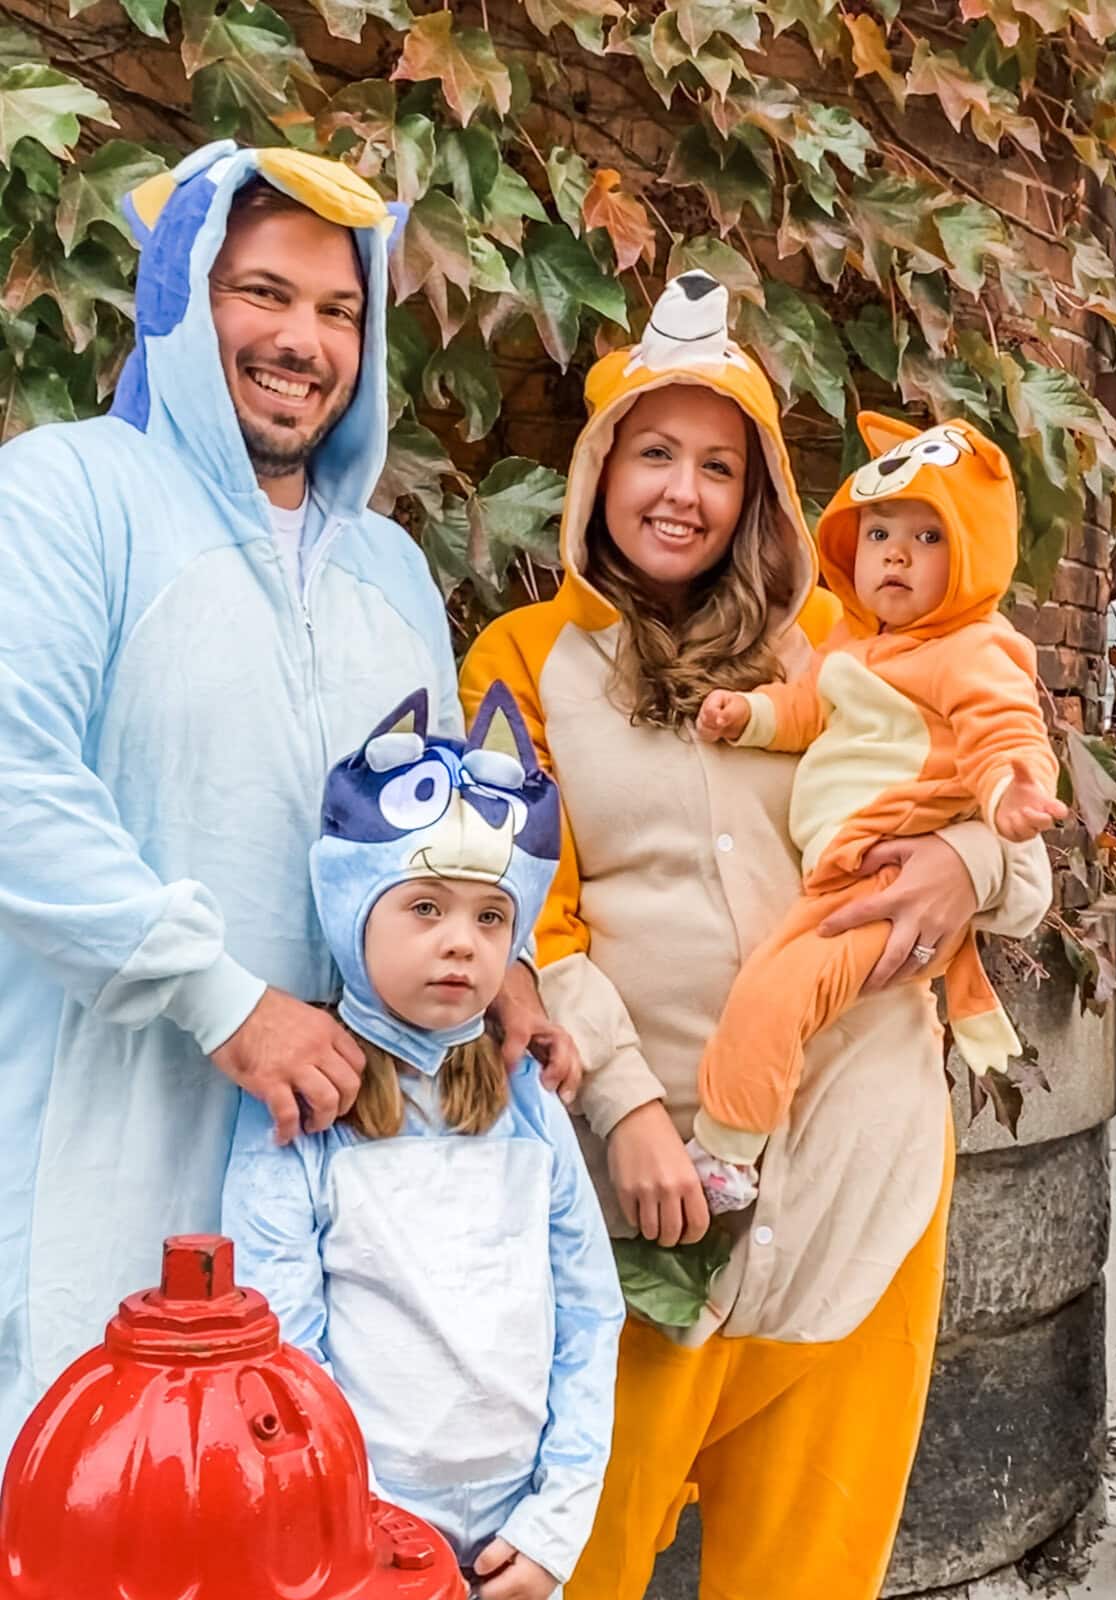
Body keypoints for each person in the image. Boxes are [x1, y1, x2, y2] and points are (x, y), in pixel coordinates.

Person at [460, 270, 1053, 1599]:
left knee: (807, 1575)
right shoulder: (520, 662)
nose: (682, 491)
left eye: (717, 465)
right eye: (652, 453)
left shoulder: (851, 644)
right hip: (654, 1194)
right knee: (578, 1561)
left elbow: (1016, 844)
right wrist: (624, 1113)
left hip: (864, 1170)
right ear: (599, 471)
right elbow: (515, 919)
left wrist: (965, 863)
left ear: (758, 493)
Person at [0, 140, 572, 1459]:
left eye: (337, 309)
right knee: (93, 1493)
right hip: (99, 1149)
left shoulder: (389, 569)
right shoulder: (66, 496)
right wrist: (221, 999)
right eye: (261, 293)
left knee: (303, 1498)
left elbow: (437, 841)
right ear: (178, 297)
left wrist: (510, 971)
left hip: (334, 1170)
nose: (301, 342)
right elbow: (17, 781)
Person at [222, 682, 624, 1600]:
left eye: (490, 918)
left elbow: (590, 1315)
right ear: (350, 909)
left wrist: (556, 1526)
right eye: (424, 909)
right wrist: (350, 1527)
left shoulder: (528, 1104)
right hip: (357, 1543)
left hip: (519, 1543)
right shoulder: (304, 1111)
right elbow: (283, 1347)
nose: (461, 944)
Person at [687, 414, 1065, 1208]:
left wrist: (1012, 789)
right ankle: (741, 1135)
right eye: (880, 530)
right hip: (842, 874)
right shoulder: (853, 650)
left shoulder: (970, 648)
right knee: (773, 988)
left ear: (974, 554)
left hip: (881, 870)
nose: (895, 553)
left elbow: (1001, 728)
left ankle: (726, 1150)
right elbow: (807, 712)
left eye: (930, 538)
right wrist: (749, 716)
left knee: (775, 995)